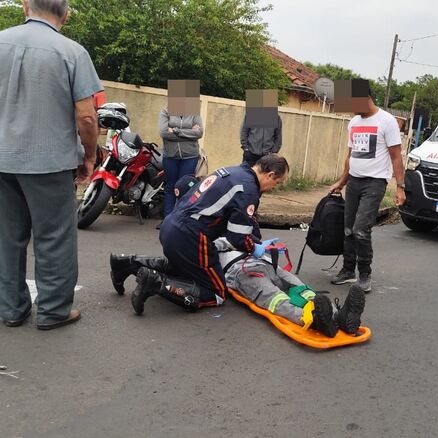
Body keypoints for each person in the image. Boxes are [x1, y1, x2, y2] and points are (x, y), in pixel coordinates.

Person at [0, 0, 102, 330]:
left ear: (25, 7)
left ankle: (11, 308)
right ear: (66, 14)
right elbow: (86, 116)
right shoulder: (71, 52)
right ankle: (54, 310)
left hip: (3, 159)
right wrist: (89, 156)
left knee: (6, 236)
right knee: (54, 237)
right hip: (49, 162)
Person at [110, 154, 289, 315]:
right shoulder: (249, 189)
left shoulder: (233, 171)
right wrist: (255, 248)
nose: (274, 187)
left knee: (186, 270)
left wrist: (252, 240)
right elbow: (237, 237)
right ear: (270, 174)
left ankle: (126, 263)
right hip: (191, 236)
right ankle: (155, 282)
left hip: (171, 226)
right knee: (217, 293)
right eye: (277, 183)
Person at [328, 80, 406, 292]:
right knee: (348, 229)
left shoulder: (387, 121)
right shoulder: (353, 123)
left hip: (375, 182)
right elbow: (350, 156)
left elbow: (396, 156)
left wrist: (400, 187)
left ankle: (365, 274)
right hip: (354, 180)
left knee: (361, 229)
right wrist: (342, 181)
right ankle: (347, 270)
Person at [214, 237, 366, 337]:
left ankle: (338, 316)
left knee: (301, 289)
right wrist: (238, 239)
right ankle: (312, 319)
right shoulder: (209, 232)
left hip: (267, 263)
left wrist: (258, 243)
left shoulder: (242, 223)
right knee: (275, 297)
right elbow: (211, 246)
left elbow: (250, 239)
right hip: (241, 272)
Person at [159, 104, 203, 222]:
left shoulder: (194, 112)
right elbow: (163, 133)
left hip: (190, 156)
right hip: (170, 156)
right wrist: (189, 133)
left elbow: (199, 133)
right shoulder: (165, 111)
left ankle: (181, 219)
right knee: (170, 187)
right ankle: (167, 219)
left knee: (186, 188)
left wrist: (175, 131)